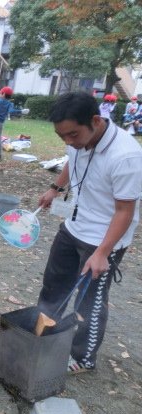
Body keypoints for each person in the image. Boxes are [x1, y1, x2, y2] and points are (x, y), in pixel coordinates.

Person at [36, 92, 142, 373]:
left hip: (102, 240)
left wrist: (102, 253)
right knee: (53, 287)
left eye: (73, 134)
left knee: (89, 302)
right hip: (73, 226)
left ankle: (83, 357)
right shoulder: (77, 142)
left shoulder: (126, 156)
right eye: (62, 137)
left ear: (96, 120)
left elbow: (125, 212)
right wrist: (55, 189)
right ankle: (45, 335)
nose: (69, 141)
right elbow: (73, 160)